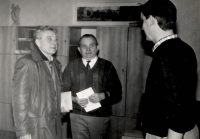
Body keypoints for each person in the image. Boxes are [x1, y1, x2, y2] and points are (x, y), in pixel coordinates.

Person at [139, 0, 199, 139]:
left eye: (143, 21)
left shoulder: (166, 54)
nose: (142, 28)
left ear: (151, 20)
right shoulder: (184, 48)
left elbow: (178, 106)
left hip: (168, 134)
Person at [62, 34, 122, 139]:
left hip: (100, 117)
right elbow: (63, 91)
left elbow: (117, 93)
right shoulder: (71, 66)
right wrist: (75, 100)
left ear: (97, 48)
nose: (88, 49)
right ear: (79, 49)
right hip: (77, 116)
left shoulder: (107, 66)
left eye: (92, 45)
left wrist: (103, 96)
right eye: (84, 46)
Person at [12, 26, 62, 139]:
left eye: (55, 39)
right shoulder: (26, 63)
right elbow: (19, 101)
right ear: (38, 42)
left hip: (54, 125)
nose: (54, 42)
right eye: (49, 39)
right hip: (36, 127)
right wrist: (23, 131)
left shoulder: (56, 64)